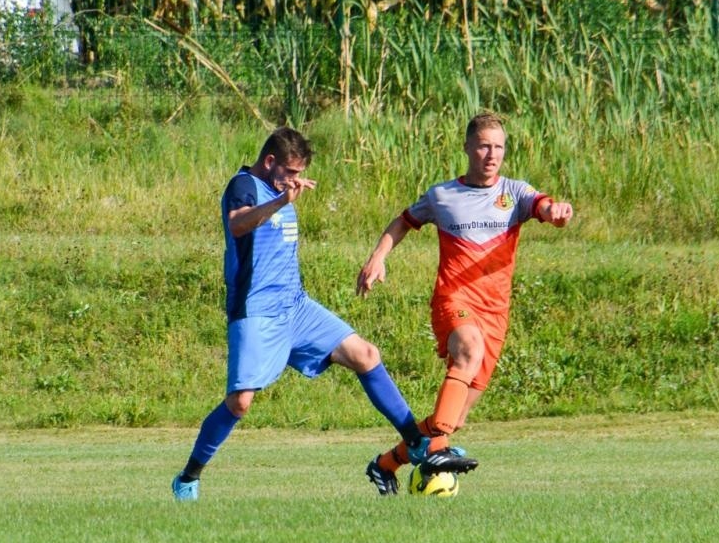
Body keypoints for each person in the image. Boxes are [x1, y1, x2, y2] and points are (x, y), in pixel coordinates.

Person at [172, 126, 474, 501]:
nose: (296, 180)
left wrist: (285, 198)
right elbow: (237, 223)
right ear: (270, 162)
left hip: (296, 307)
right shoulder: (244, 185)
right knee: (240, 403)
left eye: (299, 173)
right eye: (292, 172)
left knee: (365, 355)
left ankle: (416, 442)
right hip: (257, 312)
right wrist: (281, 201)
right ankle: (189, 476)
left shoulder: (281, 191)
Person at [357, 112, 573, 489]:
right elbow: (403, 221)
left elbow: (542, 204)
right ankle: (435, 454)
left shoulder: (515, 193)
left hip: (495, 313)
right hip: (453, 300)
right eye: (485, 146)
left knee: (451, 421)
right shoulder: (443, 195)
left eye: (499, 147)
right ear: (468, 147)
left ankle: (386, 465)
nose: (492, 155)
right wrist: (378, 256)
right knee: (468, 350)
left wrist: (555, 213)